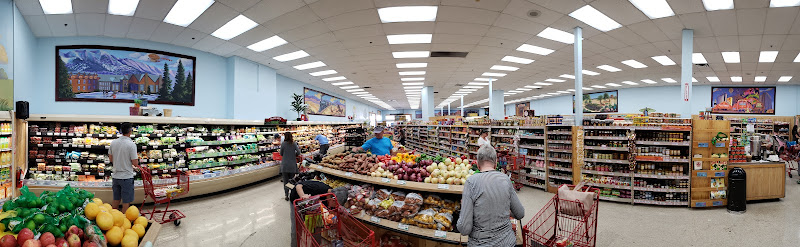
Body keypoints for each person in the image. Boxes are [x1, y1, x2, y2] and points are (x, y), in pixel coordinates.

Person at [457, 145, 524, 247]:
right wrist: (504, 210)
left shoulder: (471, 182)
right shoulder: (505, 179)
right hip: (507, 243)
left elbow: (464, 229)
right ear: (496, 163)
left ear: (478, 164)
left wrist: (465, 209)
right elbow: (520, 213)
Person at [288, 180, 348, 247]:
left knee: (317, 230)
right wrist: (302, 196)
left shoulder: (331, 198)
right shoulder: (319, 188)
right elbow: (298, 185)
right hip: (297, 200)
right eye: (336, 205)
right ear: (333, 200)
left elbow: (336, 217)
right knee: (297, 228)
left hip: (313, 206)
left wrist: (346, 233)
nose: (336, 207)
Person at [109, 122, 139, 212]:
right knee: (126, 201)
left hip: (116, 176)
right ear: (130, 131)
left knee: (116, 199)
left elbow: (111, 159)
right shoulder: (131, 144)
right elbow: (135, 163)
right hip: (126, 177)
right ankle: (124, 218)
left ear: (121, 131)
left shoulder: (113, 142)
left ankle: (113, 217)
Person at [281, 132, 302, 201]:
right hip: (292, 165)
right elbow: (298, 153)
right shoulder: (294, 143)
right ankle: (292, 194)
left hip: (284, 165)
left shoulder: (283, 144)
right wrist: (293, 153)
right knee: (292, 181)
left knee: (285, 181)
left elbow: (281, 153)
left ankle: (286, 195)